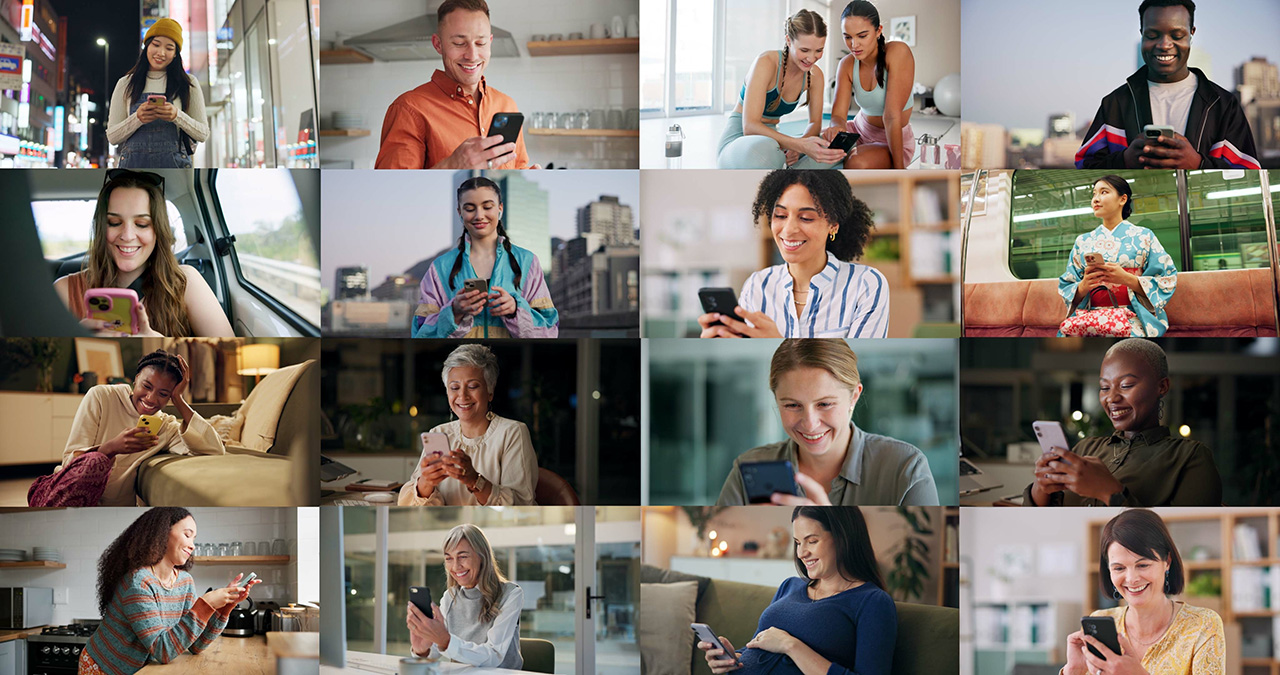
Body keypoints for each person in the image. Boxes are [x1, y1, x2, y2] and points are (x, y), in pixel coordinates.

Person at [716, 339, 938, 506]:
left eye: (824, 404)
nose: (810, 424)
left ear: (854, 397)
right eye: (792, 405)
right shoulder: (748, 470)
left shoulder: (906, 468)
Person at [697, 507, 895, 675]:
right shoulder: (789, 586)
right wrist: (732, 658)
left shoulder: (872, 602)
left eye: (812, 541)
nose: (801, 553)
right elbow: (758, 645)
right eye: (798, 543)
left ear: (843, 538)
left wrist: (790, 646)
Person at [1025, 339, 1222, 507]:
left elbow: (1189, 534)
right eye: (1104, 387)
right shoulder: (1086, 448)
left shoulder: (1189, 457)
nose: (1111, 398)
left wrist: (1110, 493)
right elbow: (1035, 525)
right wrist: (1041, 487)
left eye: (1126, 385)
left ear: (1162, 386)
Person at [698, 171, 889, 339]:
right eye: (780, 216)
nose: (789, 230)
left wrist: (778, 344)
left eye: (806, 218)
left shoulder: (865, 284)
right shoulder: (757, 286)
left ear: (833, 225)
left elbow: (857, 363)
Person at [1076, 0, 1259, 170]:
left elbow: (1250, 173)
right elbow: (1084, 166)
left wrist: (1198, 164)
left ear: (1191, 33)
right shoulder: (1115, 103)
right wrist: (1125, 160)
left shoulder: (1223, 105)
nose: (1164, 45)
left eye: (1177, 35)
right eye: (1152, 35)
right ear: (1141, 33)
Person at [27, 350, 225, 507]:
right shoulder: (101, 396)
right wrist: (112, 448)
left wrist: (179, 400)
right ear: (136, 379)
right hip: (67, 495)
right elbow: (70, 462)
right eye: (147, 386)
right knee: (96, 461)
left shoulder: (165, 426)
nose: (151, 398)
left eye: (163, 394)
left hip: (114, 509)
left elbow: (214, 448)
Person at [52, 170, 235, 338]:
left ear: (158, 230)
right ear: (101, 228)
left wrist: (160, 345)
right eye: (114, 222)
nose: (127, 236)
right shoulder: (64, 290)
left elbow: (231, 356)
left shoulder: (186, 283)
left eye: (142, 224)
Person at [81, 508, 261, 674]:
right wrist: (206, 604)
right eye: (187, 535)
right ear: (162, 533)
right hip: (104, 666)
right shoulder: (139, 583)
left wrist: (224, 608)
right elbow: (163, 650)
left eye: (194, 538)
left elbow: (196, 645)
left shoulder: (185, 581)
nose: (192, 545)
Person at [375, 0, 540, 170]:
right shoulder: (409, 109)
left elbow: (517, 172)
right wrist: (451, 166)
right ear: (438, 44)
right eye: (459, 43)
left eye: (480, 43)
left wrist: (530, 177)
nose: (472, 55)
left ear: (490, 42)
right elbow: (392, 186)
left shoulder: (506, 105)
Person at [1061, 509, 1225, 675]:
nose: (1131, 579)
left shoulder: (1203, 624)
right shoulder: (1100, 622)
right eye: (1119, 568)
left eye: (1143, 565)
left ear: (1167, 562)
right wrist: (1073, 671)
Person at [413, 176, 558, 338]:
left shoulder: (527, 261)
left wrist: (515, 309)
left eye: (487, 207)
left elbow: (549, 329)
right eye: (469, 209)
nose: (479, 215)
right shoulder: (440, 267)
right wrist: (454, 311)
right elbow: (420, 333)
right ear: (459, 212)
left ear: (500, 208)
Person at [398, 344, 538, 506]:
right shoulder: (439, 432)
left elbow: (521, 505)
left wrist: (475, 481)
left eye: (472, 386)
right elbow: (409, 505)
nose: (462, 396)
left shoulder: (512, 433)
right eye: (454, 387)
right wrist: (426, 483)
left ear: (490, 392)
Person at [716, 10, 847, 170]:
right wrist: (799, 145)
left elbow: (814, 124)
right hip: (742, 141)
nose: (812, 58)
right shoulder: (766, 63)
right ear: (789, 41)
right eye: (804, 50)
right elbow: (750, 127)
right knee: (766, 151)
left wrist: (797, 149)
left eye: (819, 51)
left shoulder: (815, 75)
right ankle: (788, 168)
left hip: (775, 142)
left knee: (838, 147)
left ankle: (786, 169)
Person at [1057, 175, 1177, 337]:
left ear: (1123, 199)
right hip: (1090, 315)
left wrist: (1127, 279)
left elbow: (1166, 279)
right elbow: (1067, 285)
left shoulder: (1144, 236)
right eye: (1094, 194)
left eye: (1104, 192)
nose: (1096, 199)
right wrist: (1084, 285)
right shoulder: (1082, 241)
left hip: (1133, 315)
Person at [406, 524, 524, 669]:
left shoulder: (511, 594)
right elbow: (436, 649)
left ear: (482, 557)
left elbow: (494, 657)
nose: (455, 567)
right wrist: (422, 650)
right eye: (449, 558)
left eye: (462, 557)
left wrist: (446, 641)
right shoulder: (450, 597)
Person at [822, 1, 917, 170]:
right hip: (858, 130)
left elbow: (891, 117)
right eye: (848, 37)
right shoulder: (846, 64)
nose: (854, 45)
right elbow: (838, 115)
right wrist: (837, 128)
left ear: (878, 31)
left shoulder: (898, 52)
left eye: (862, 36)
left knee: (856, 163)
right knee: (809, 147)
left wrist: (900, 172)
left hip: (892, 140)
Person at [105, 18, 208, 169]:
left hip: (175, 170)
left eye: (169, 48)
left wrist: (176, 115)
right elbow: (112, 137)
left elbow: (203, 134)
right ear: (147, 46)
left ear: (175, 54)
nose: (161, 53)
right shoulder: (126, 83)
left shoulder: (188, 83)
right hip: (133, 171)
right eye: (156, 44)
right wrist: (137, 118)